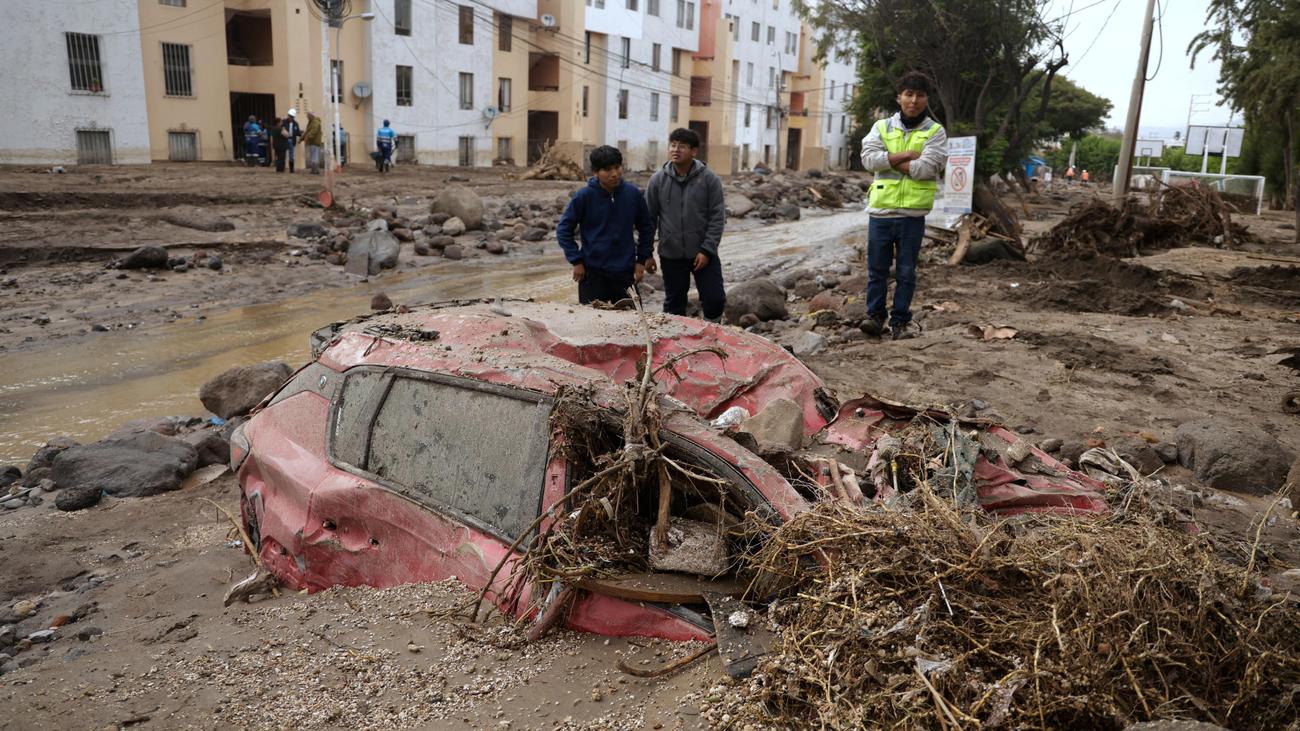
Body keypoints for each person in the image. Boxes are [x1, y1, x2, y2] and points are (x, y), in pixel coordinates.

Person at [859, 70, 949, 340]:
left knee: (907, 272)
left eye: (920, 95)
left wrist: (889, 158)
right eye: (908, 94)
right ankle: (875, 317)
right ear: (899, 97)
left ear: (926, 99)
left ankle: (900, 322)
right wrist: (906, 154)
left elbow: (927, 168)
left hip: (913, 214)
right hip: (881, 211)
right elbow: (868, 160)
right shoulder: (882, 127)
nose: (914, 100)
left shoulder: (935, 131)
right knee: (876, 270)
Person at [556, 145, 654, 306]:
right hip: (592, 274)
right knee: (593, 324)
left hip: (625, 273)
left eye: (617, 167)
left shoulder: (632, 194)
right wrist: (576, 261)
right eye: (607, 170)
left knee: (632, 324)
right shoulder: (584, 196)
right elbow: (563, 230)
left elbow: (646, 228)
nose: (614, 174)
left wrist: (641, 261)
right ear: (595, 172)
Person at [646, 127, 727, 322]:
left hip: (703, 253)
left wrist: (707, 250)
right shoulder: (657, 180)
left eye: (682, 146)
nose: (675, 150)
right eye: (673, 145)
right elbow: (648, 218)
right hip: (671, 254)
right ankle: (676, 345)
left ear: (694, 151)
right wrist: (646, 253)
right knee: (674, 304)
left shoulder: (709, 180)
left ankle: (713, 337)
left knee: (714, 299)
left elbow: (717, 218)